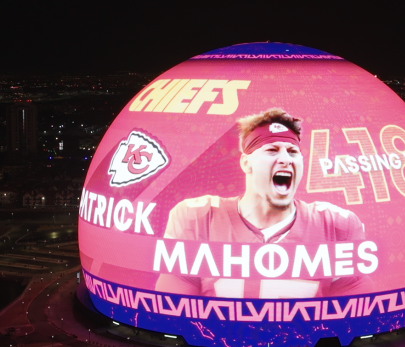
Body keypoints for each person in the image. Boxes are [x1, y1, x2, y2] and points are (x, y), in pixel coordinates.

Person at [155, 108, 373, 299]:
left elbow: (357, 308)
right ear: (246, 162)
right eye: (272, 150)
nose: (286, 159)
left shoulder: (335, 224)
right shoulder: (197, 217)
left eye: (292, 151)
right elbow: (174, 306)